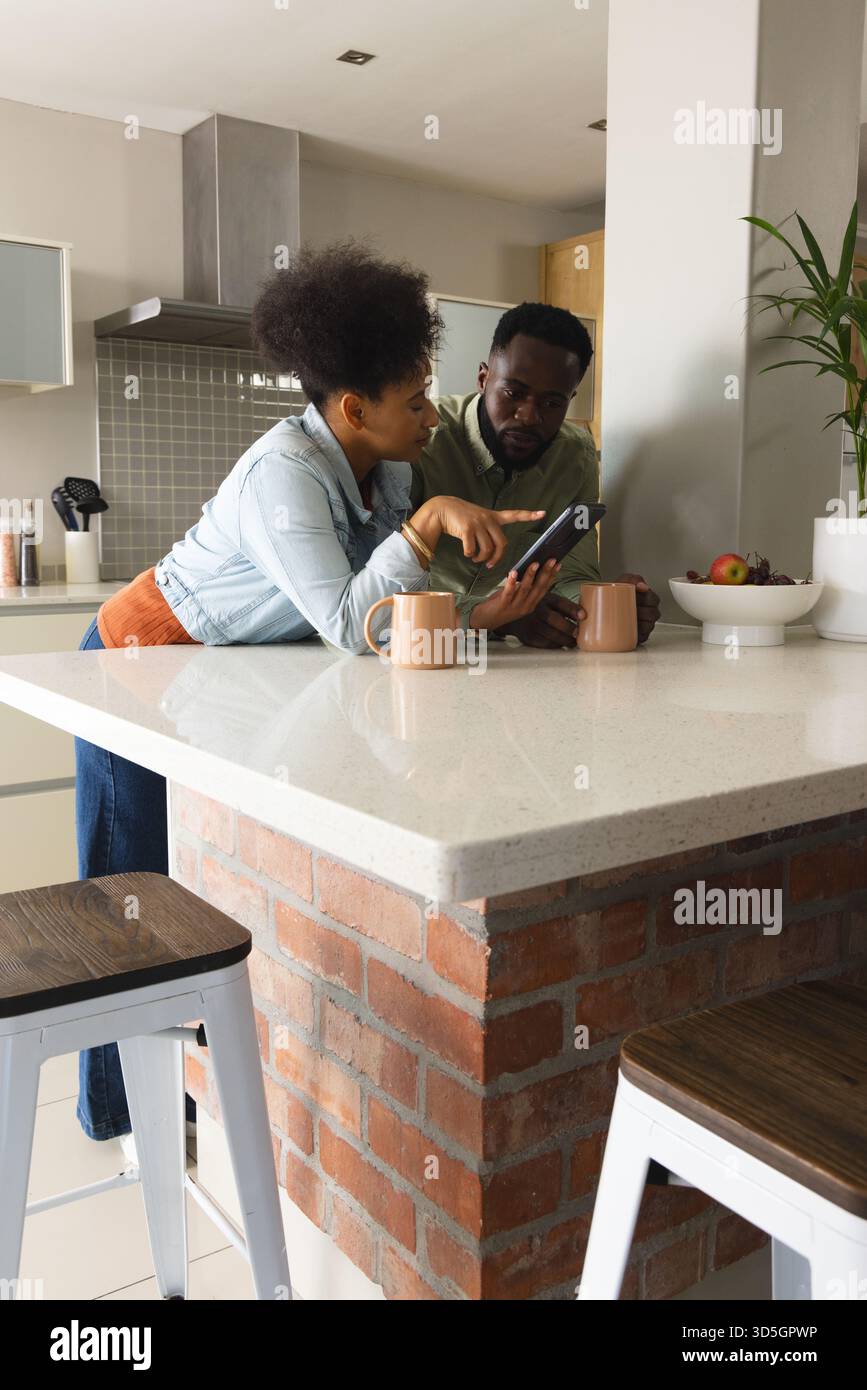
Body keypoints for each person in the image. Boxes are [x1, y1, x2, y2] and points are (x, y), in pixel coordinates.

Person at [74, 242, 560, 1146]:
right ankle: (118, 1109)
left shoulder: (391, 471)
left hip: (222, 674)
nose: (430, 416)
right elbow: (345, 619)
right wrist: (424, 528)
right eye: (415, 400)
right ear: (353, 409)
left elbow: (382, 613)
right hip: (137, 657)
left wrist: (480, 615)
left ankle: (188, 1081)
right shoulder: (284, 472)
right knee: (130, 885)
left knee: (200, 877)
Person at [412, 301, 661, 647]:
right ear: (483, 378)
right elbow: (386, 586)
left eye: (552, 403)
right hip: (412, 654)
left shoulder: (575, 457)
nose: (529, 417)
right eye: (513, 393)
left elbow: (571, 573)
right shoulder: (422, 439)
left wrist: (606, 605)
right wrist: (500, 619)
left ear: (570, 398)